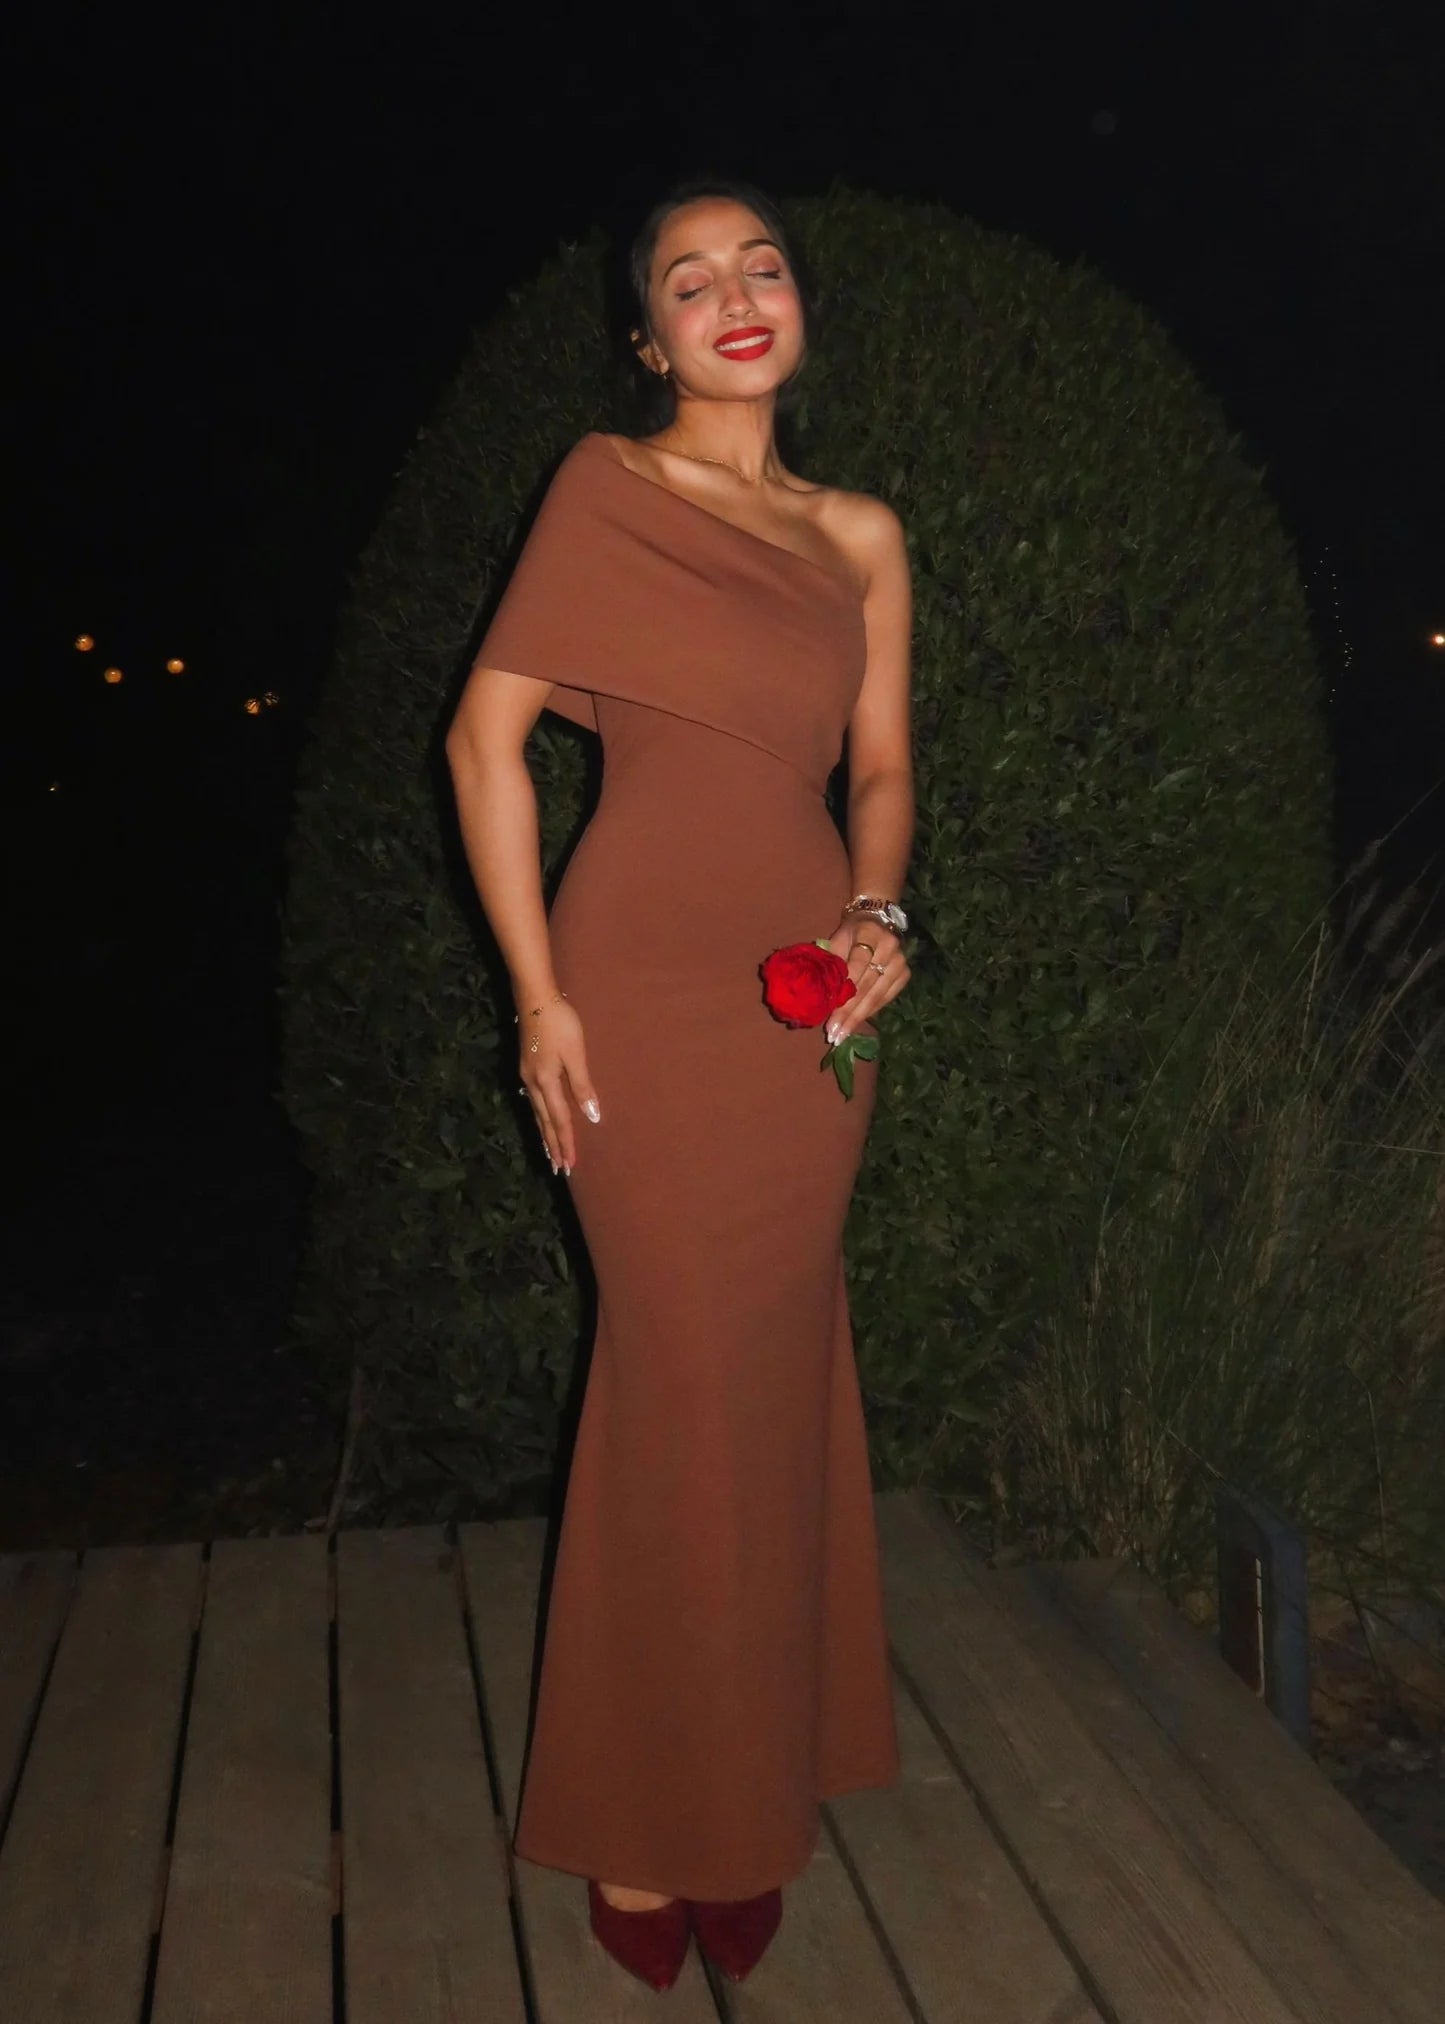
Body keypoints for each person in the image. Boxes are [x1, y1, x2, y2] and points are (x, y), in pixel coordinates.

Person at [445, 175, 915, 1991]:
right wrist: (538, 1000)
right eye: (691, 281)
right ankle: (645, 1819)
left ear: (800, 309)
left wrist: (878, 909)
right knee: (672, 1388)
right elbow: (481, 745)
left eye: (761, 267)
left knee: (771, 1382)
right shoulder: (605, 487)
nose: (734, 297)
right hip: (632, 984)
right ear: (649, 337)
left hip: (803, 1002)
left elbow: (880, 768)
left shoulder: (858, 533)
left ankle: (750, 1779)